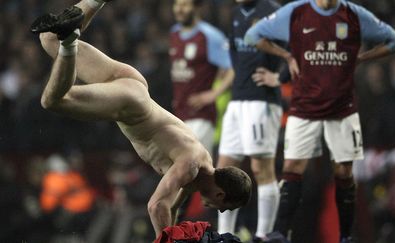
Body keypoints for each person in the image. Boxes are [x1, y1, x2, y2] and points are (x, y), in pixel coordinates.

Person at [30, 0, 252, 238]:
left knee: (47, 39)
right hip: (132, 105)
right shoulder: (192, 166)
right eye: (224, 208)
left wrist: (170, 233)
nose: (218, 212)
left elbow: (171, 208)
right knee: (52, 100)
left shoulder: (198, 171)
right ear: (220, 195)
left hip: (134, 85)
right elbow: (156, 205)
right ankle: (69, 40)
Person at [245, 0, 395, 241]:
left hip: (342, 109)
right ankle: (280, 233)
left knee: (344, 173)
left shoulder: (353, 15)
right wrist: (286, 55)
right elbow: (252, 35)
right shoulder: (296, 12)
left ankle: (345, 236)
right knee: (291, 170)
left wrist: (362, 58)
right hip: (303, 108)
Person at [216, 0, 283, 241]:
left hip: (261, 101)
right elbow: (235, 53)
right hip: (238, 99)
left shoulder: (273, 12)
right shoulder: (236, 14)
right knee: (223, 171)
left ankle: (264, 235)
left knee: (260, 168)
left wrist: (279, 77)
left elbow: (295, 48)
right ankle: (225, 235)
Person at [170, 0, 234, 155]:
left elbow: (232, 68)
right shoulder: (174, 32)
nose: (179, 9)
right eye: (177, 4)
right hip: (179, 112)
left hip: (201, 114)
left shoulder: (209, 35)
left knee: (193, 164)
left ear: (197, 7)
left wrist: (213, 94)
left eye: (185, 5)